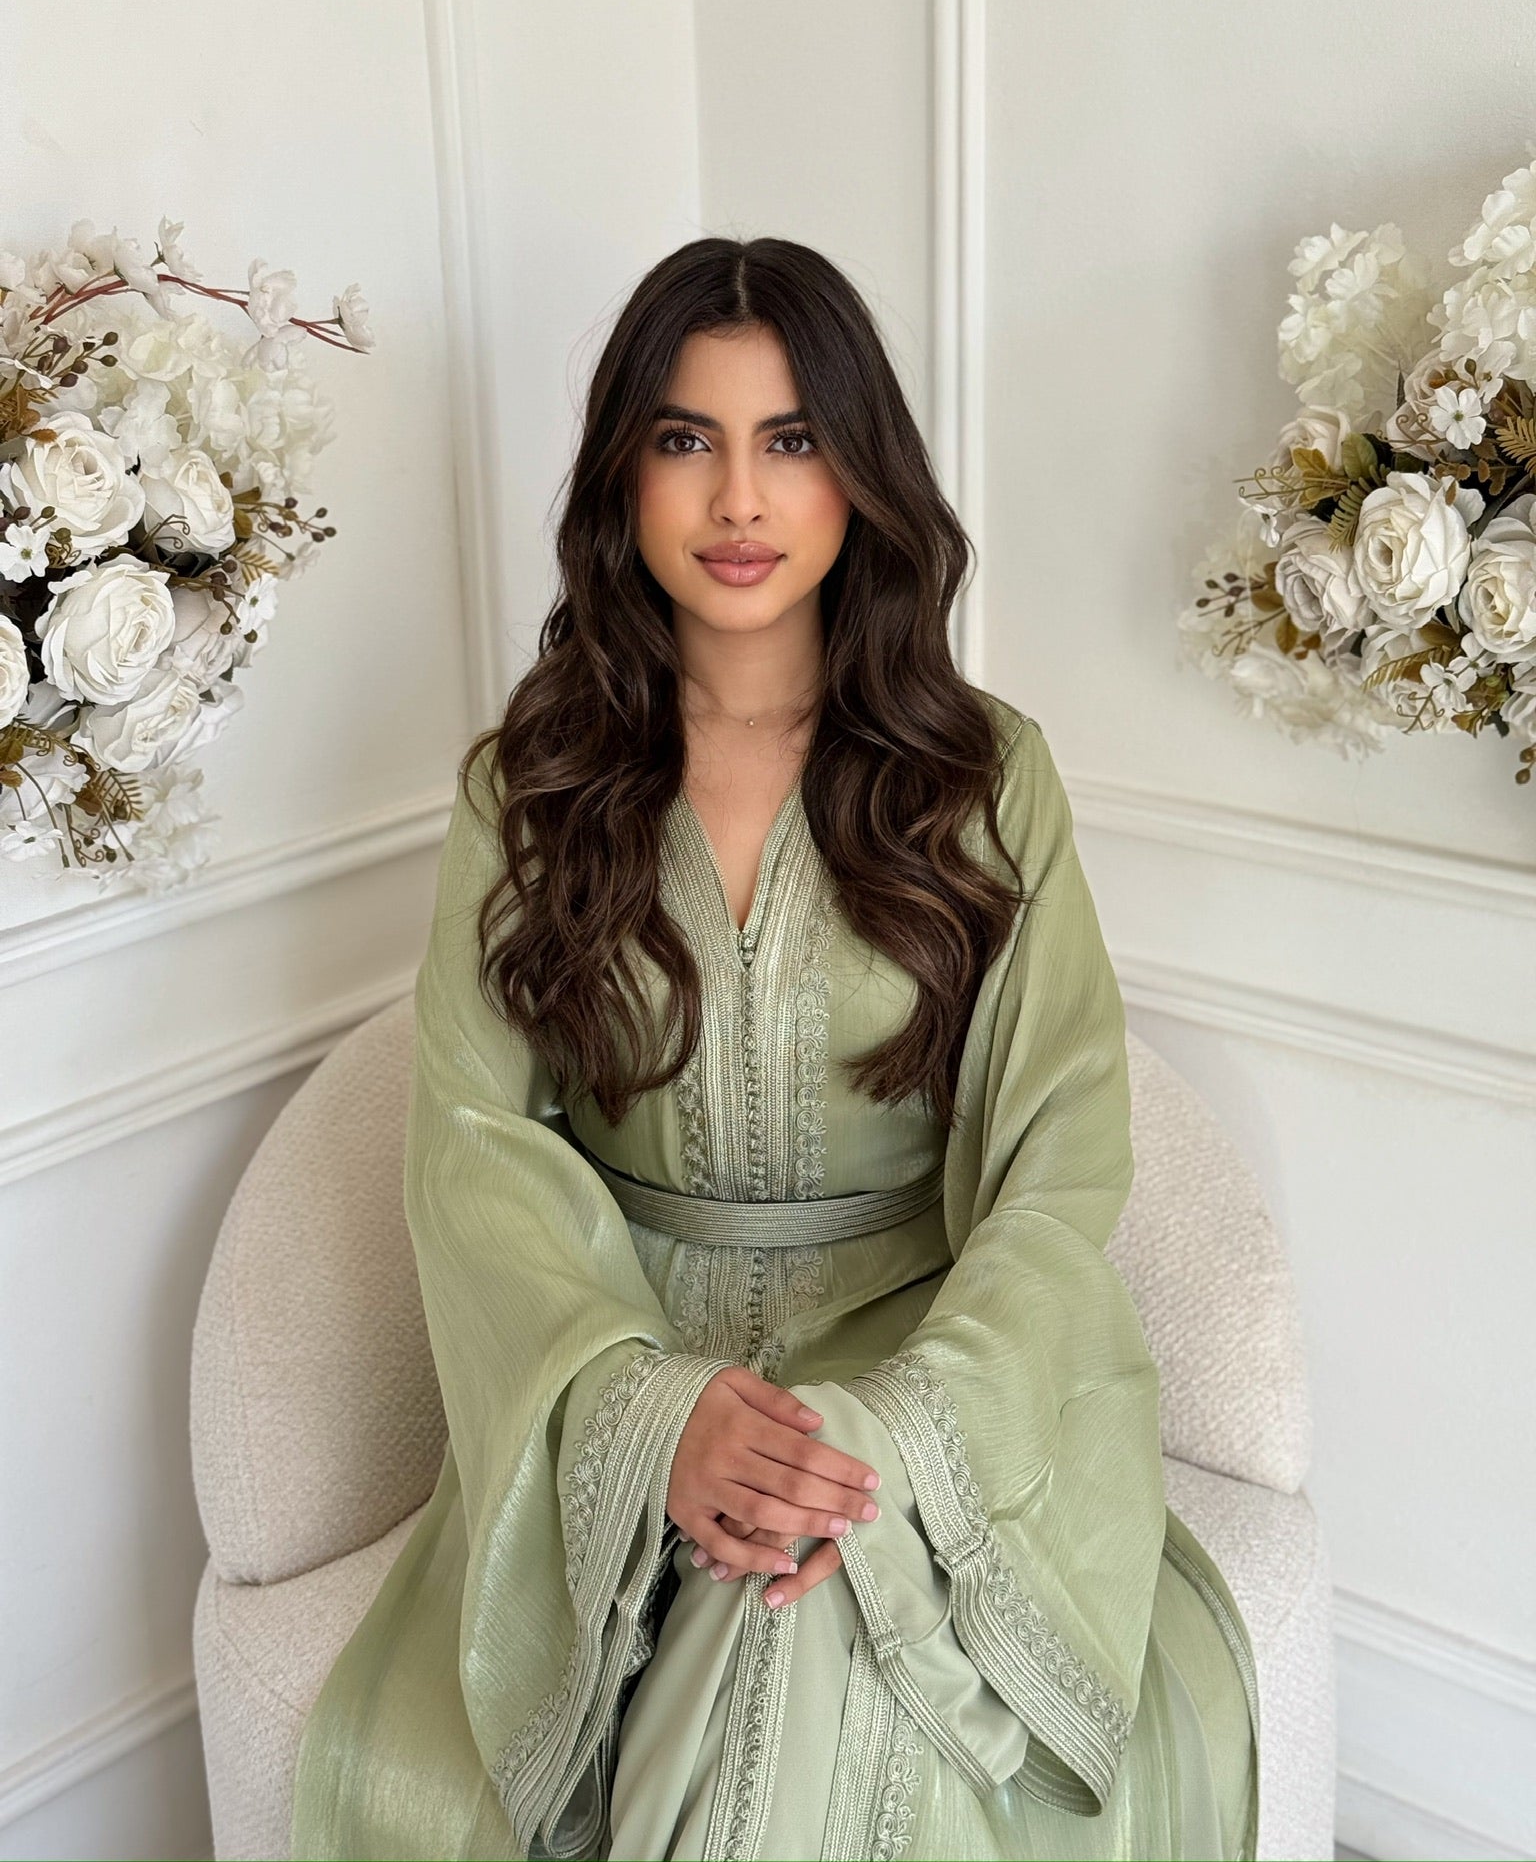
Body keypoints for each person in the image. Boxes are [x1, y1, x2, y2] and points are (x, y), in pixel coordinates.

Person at [288, 237, 1259, 1861]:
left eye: (792, 439)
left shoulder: (982, 778)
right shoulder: (525, 791)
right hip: (616, 1356)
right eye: (687, 438)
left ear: (860, 472)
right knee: (760, 1599)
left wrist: (893, 1435)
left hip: (925, 1359)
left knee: (798, 1598)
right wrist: (651, 1418)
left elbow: (1060, 1155)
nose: (739, 499)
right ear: (625, 473)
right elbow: (472, 1151)